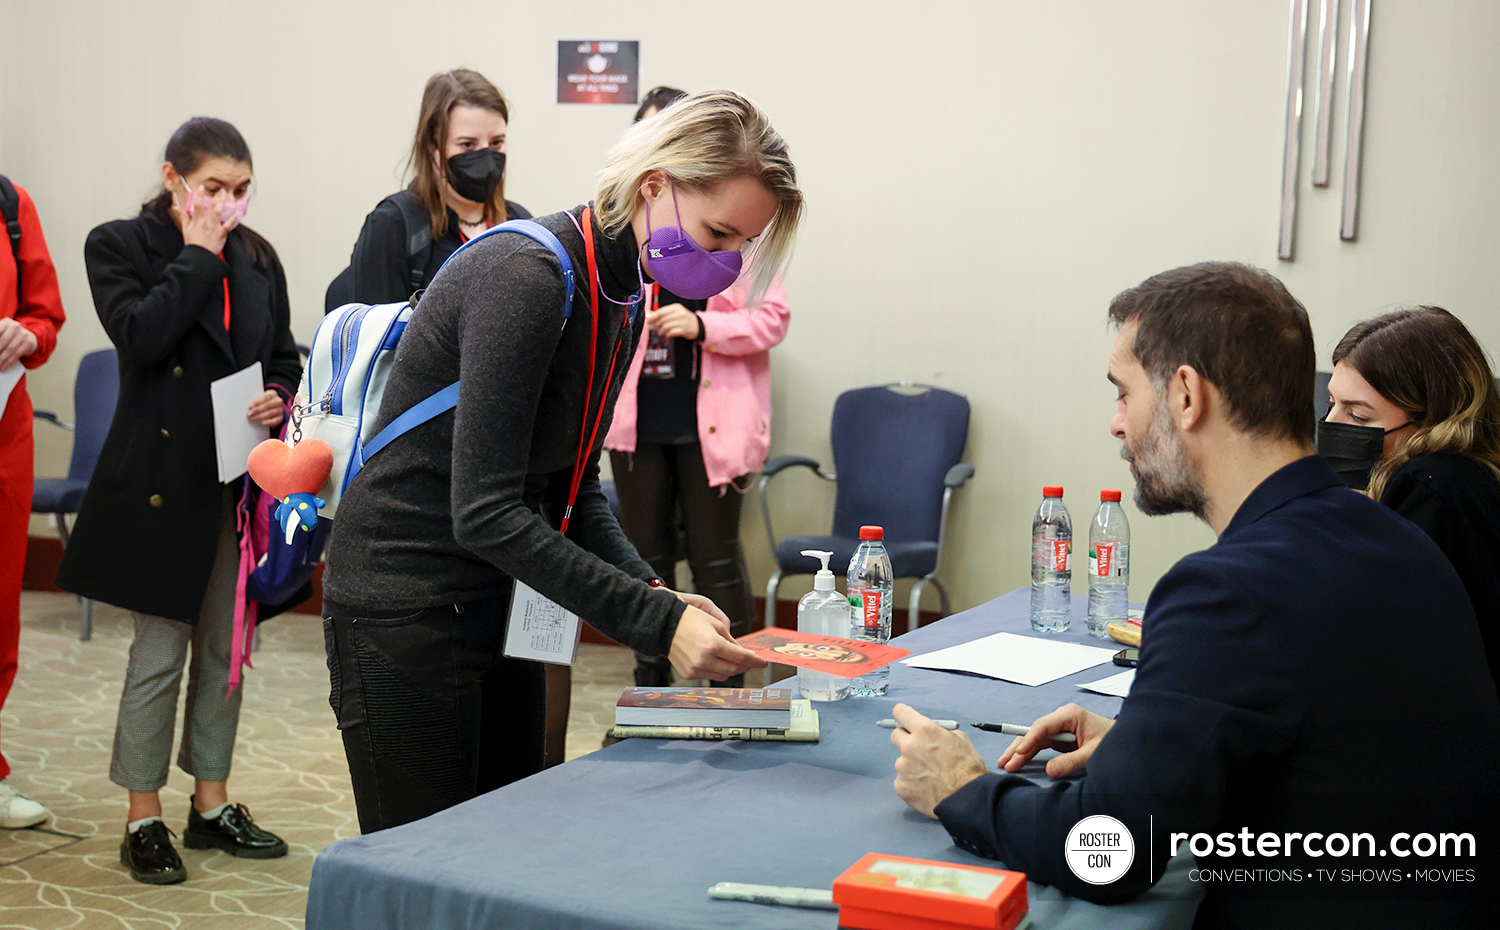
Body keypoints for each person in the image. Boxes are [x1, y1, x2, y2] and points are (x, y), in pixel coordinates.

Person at [888, 263, 1500, 928]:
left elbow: (1110, 853)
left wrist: (965, 791)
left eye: (1123, 394)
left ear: (1186, 395)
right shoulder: (1391, 538)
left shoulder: (1227, 589)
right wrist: (1151, 746)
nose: (1116, 425)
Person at [322, 89, 803, 834]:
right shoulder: (531, 275)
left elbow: (571, 492)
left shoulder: (623, 292)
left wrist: (655, 592)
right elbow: (484, 508)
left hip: (495, 595)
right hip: (404, 603)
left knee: (507, 840)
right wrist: (654, 620)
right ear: (655, 186)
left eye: (739, 247)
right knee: (422, 867)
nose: (723, 264)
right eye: (716, 234)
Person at [56, 117, 302, 884]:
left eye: (241, 190)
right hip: (158, 484)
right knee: (158, 654)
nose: (229, 205)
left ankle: (210, 804)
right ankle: (144, 816)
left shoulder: (259, 256)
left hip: (232, 481)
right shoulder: (119, 244)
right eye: (213, 189)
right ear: (174, 180)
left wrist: (277, 395)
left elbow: (284, 355)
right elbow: (141, 337)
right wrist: (197, 254)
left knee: (226, 654)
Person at [605, 84, 792, 688]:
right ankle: (651, 694)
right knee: (645, 562)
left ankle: (728, 695)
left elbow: (772, 318)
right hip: (637, 420)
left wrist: (702, 323)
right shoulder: (621, 244)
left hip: (712, 422)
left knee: (716, 560)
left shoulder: (735, 231)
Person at [1320, 306, 1500, 687]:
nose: (1331, 425)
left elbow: (1374, 639)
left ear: (1432, 419)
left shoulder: (1425, 486)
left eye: (1359, 417)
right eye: (1331, 404)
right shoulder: (1473, 478)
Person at [327, 68, 531, 311]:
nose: (486, 158)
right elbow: (377, 342)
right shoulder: (393, 225)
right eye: (467, 144)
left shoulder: (521, 224)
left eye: (496, 142)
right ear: (431, 146)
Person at [0, 175, 65, 830]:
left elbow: (44, 313)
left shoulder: (10, 203)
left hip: (3, 436)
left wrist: (27, 334)